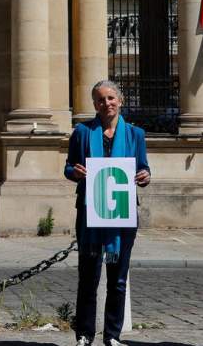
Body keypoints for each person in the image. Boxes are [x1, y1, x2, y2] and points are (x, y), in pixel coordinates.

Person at [64, 80, 150, 346]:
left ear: (120, 101)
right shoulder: (82, 132)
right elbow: (68, 168)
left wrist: (145, 175)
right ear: (94, 104)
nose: (106, 103)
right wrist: (75, 172)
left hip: (121, 217)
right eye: (100, 99)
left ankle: (112, 335)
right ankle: (84, 334)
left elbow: (144, 169)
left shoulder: (135, 135)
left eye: (111, 98)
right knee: (88, 276)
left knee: (118, 277)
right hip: (91, 214)